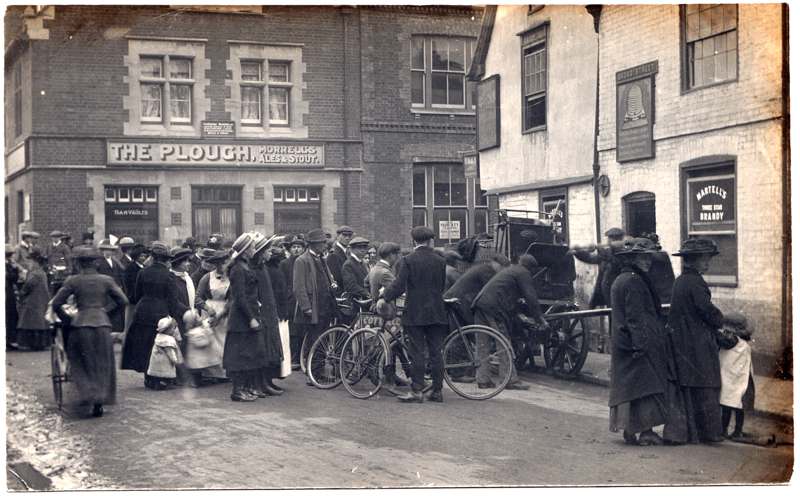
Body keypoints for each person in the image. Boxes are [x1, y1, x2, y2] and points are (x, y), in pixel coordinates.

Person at [608, 237, 686, 446]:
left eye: (649, 258)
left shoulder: (621, 279)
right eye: (643, 258)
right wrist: (641, 344)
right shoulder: (634, 281)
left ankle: (630, 430)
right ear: (632, 259)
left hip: (624, 341)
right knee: (647, 388)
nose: (648, 262)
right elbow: (635, 317)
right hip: (638, 342)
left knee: (631, 388)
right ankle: (646, 432)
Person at [51, 246, 129, 417]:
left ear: (78, 263)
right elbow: (123, 301)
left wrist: (69, 320)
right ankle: (99, 400)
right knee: (103, 363)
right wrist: (106, 314)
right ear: (96, 262)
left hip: (81, 326)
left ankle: (87, 394)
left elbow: (56, 304)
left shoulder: (73, 281)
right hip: (102, 325)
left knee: (81, 362)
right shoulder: (106, 280)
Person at [668, 237, 727, 443]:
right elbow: (705, 309)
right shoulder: (695, 283)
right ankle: (709, 432)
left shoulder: (680, 281)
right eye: (704, 259)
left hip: (683, 341)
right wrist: (721, 319)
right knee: (706, 383)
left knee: (690, 385)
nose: (707, 263)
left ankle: (693, 432)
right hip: (698, 342)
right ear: (692, 261)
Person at [380, 226, 448, 403]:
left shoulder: (408, 260)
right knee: (436, 352)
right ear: (430, 240)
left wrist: (384, 297)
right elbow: (441, 286)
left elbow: (399, 285)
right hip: (437, 311)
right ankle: (437, 391)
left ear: (413, 241)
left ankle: (417, 390)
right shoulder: (440, 260)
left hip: (416, 312)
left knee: (417, 351)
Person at [472, 255, 546, 391]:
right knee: (504, 342)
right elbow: (531, 297)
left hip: (480, 304)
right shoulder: (523, 273)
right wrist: (540, 319)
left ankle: (483, 379)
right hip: (494, 308)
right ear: (531, 269)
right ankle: (510, 380)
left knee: (483, 344)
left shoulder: (511, 270)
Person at [122, 241, 188, 390]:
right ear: (166, 259)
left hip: (143, 311)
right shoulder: (169, 276)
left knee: (145, 345)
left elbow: (136, 296)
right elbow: (172, 299)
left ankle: (148, 377)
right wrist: (175, 316)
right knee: (158, 346)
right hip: (161, 313)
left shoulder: (143, 272)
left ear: (153, 257)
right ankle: (157, 377)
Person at [225, 233, 268, 401]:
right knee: (239, 357)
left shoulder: (244, 266)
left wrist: (256, 304)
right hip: (240, 320)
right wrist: (251, 318)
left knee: (249, 355)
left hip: (247, 316)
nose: (254, 250)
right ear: (244, 251)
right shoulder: (237, 269)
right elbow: (239, 298)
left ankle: (245, 388)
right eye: (251, 247)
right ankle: (237, 391)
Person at [293, 228, 338, 384]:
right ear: (313, 244)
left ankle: (318, 371)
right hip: (313, 307)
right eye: (322, 243)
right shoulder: (302, 260)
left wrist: (332, 284)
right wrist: (306, 308)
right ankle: (314, 374)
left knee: (323, 339)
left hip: (325, 306)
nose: (324, 245)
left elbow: (326, 278)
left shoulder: (321, 259)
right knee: (314, 339)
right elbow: (298, 287)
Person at [251, 235, 285, 396]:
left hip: (270, 312)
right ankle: (260, 383)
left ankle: (267, 380)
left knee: (270, 348)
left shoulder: (263, 267)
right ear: (260, 252)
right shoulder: (254, 268)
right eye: (268, 250)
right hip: (261, 313)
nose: (270, 253)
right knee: (262, 349)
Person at [443, 253, 510, 327]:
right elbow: (491, 291)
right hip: (461, 299)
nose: (502, 272)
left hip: (458, 298)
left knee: (467, 328)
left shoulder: (483, 268)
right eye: (502, 268)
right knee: (475, 325)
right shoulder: (487, 271)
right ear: (497, 264)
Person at [194, 249, 231, 382]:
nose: (222, 266)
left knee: (224, 341)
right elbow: (197, 298)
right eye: (219, 263)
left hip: (225, 312)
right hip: (210, 311)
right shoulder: (207, 277)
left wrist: (222, 313)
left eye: (224, 263)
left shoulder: (232, 277)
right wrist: (207, 308)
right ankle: (210, 373)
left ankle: (224, 373)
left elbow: (233, 299)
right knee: (211, 342)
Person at [570, 227, 626, 308]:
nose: (609, 241)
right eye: (609, 238)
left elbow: (614, 260)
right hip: (607, 291)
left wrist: (599, 248)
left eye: (613, 238)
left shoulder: (623, 253)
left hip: (619, 291)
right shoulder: (607, 253)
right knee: (611, 313)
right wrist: (578, 252)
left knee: (617, 314)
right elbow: (591, 259)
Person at [170, 246, 198, 386]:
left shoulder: (187, 277)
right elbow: (174, 300)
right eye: (185, 261)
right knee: (179, 346)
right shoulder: (172, 278)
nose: (188, 264)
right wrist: (187, 310)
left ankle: (186, 376)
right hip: (178, 317)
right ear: (177, 263)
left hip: (188, 315)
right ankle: (180, 377)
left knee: (187, 345)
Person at [16, 247, 52, 350]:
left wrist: (21, 292)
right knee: (40, 322)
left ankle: (30, 344)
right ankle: (40, 343)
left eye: (30, 261)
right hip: (41, 300)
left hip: (33, 301)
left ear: (35, 262)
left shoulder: (35, 273)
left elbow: (28, 285)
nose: (29, 263)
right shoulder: (41, 272)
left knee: (30, 321)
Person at [279, 235, 305, 368]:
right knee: (292, 330)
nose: (296, 249)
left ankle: (302, 357)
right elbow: (282, 283)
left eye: (299, 247)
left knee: (301, 328)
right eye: (294, 247)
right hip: (290, 300)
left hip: (302, 299)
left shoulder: (304, 262)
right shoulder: (284, 263)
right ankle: (293, 358)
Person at [97, 239, 126, 335]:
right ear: (102, 251)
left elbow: (121, 274)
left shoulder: (115, 261)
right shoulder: (99, 262)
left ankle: (115, 332)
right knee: (107, 310)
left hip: (115, 290)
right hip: (104, 291)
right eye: (105, 250)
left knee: (115, 311)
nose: (107, 252)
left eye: (109, 250)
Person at [146, 316, 184, 389]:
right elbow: (170, 352)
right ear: (167, 329)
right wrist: (175, 360)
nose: (174, 330)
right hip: (164, 361)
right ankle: (161, 385)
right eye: (173, 328)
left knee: (157, 373)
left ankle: (155, 383)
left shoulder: (159, 336)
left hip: (156, 358)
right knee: (164, 374)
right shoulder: (168, 340)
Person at [341, 236, 371, 300]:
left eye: (365, 247)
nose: (363, 250)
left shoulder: (362, 263)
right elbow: (351, 286)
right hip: (356, 301)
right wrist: (367, 293)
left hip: (365, 299)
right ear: (352, 249)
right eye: (359, 247)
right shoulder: (348, 264)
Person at [326, 225, 353, 291]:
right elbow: (337, 277)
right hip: (341, 291)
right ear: (338, 236)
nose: (347, 238)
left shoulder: (348, 252)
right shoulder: (334, 254)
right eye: (344, 235)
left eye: (349, 236)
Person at [6, 244, 21, 350]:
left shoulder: (8, 264)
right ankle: (9, 340)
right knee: (9, 315)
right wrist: (15, 270)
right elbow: (11, 278)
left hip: (9, 291)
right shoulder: (7, 265)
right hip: (7, 291)